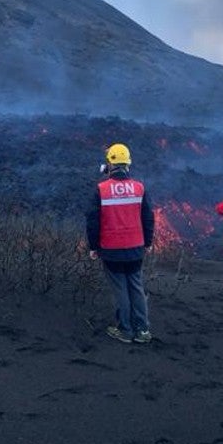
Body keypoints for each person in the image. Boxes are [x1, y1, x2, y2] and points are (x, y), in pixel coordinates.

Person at [86, 143, 156, 344]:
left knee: (120, 289)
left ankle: (125, 330)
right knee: (136, 286)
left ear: (109, 164)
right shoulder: (139, 188)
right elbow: (148, 217)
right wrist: (148, 242)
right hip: (136, 248)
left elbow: (92, 221)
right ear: (128, 165)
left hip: (111, 249)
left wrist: (93, 246)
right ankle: (142, 330)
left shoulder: (101, 189)